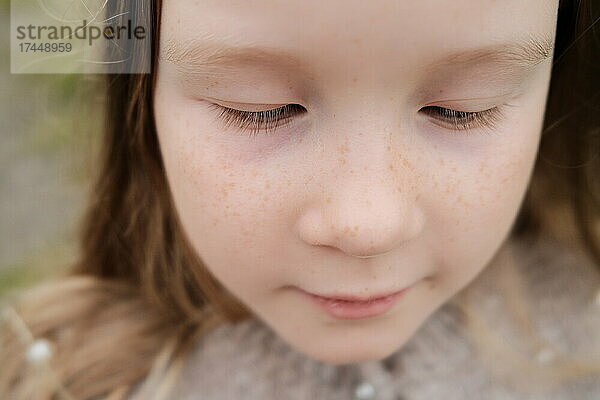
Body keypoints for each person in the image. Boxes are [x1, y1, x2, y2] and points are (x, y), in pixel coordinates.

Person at [1, 0, 599, 399]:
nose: (368, 224)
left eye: (464, 107)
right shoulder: (48, 378)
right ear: (141, 84)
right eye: (259, 108)